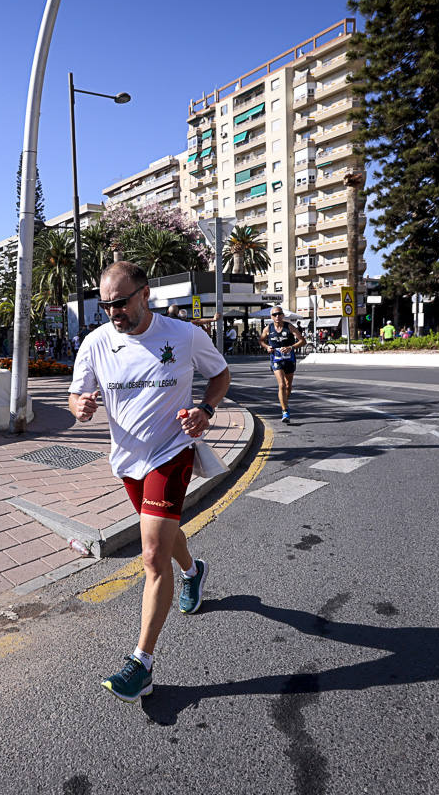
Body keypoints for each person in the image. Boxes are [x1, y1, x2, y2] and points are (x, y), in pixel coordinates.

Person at [70, 261, 230, 702]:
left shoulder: (184, 336)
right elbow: (75, 395)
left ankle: (141, 665)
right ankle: (194, 572)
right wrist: (78, 407)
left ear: (145, 295)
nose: (113, 312)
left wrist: (206, 410)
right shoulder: (97, 343)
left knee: (152, 554)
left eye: (120, 303)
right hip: (127, 460)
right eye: (105, 305)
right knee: (164, 531)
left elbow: (220, 375)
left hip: (170, 452)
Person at [258, 306, 305, 423]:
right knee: (282, 385)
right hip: (276, 359)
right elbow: (261, 340)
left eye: (279, 314)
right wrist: (267, 347)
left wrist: (291, 347)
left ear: (283, 315)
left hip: (289, 359)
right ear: (271, 317)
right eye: (274, 315)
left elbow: (303, 341)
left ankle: (284, 402)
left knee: (288, 386)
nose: (277, 316)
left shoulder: (289, 326)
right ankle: (285, 411)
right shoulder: (268, 328)